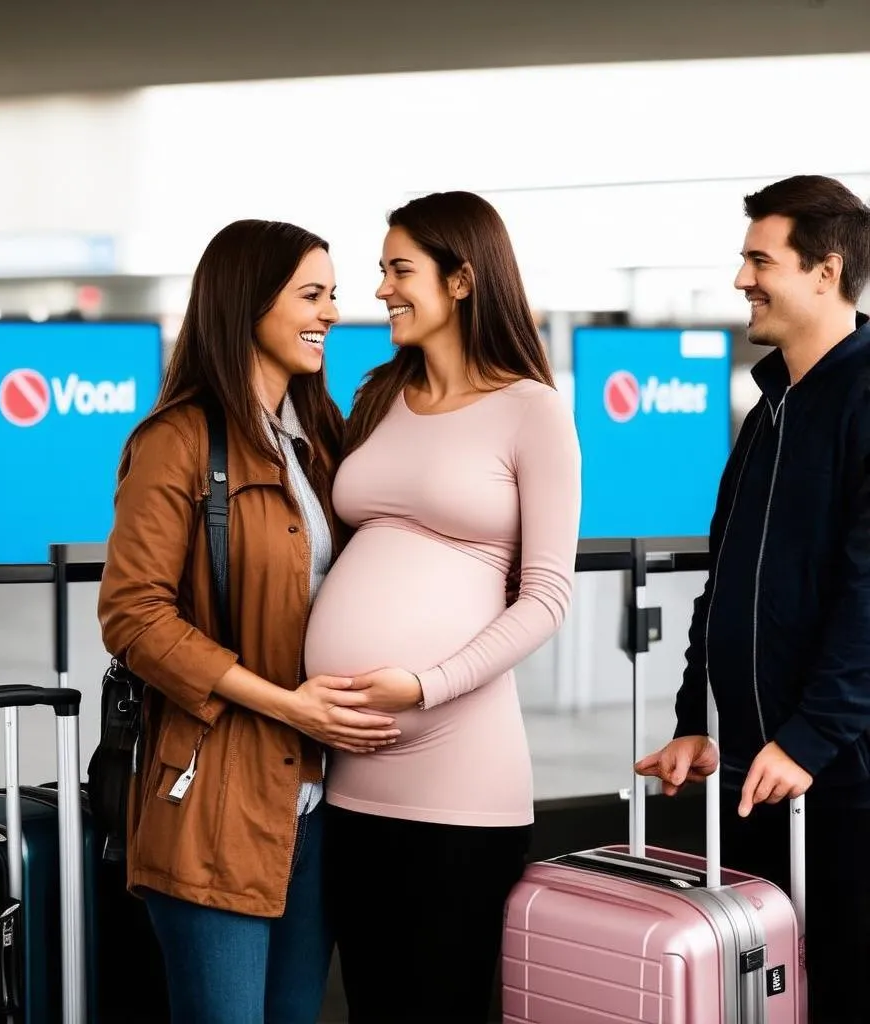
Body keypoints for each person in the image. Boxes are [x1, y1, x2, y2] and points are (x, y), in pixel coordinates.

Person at [97, 219, 402, 1024]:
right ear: (246, 303)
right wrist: (285, 703)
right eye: (311, 294)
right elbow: (133, 616)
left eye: (333, 294)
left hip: (322, 799)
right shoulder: (178, 441)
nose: (331, 312)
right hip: (215, 798)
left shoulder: (321, 443)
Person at [304, 191, 582, 1024]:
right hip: (349, 774)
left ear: (462, 279)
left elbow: (547, 598)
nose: (381, 291)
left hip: (461, 777)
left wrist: (422, 685)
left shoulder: (533, 411)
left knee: (441, 1007)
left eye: (400, 270)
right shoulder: (377, 395)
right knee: (373, 1007)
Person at [635, 175, 870, 1024]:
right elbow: (726, 577)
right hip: (759, 778)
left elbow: (868, 598)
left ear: (825, 270)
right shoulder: (768, 409)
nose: (741, 278)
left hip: (845, 784)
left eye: (758, 259)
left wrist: (808, 741)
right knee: (766, 996)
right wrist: (695, 714)